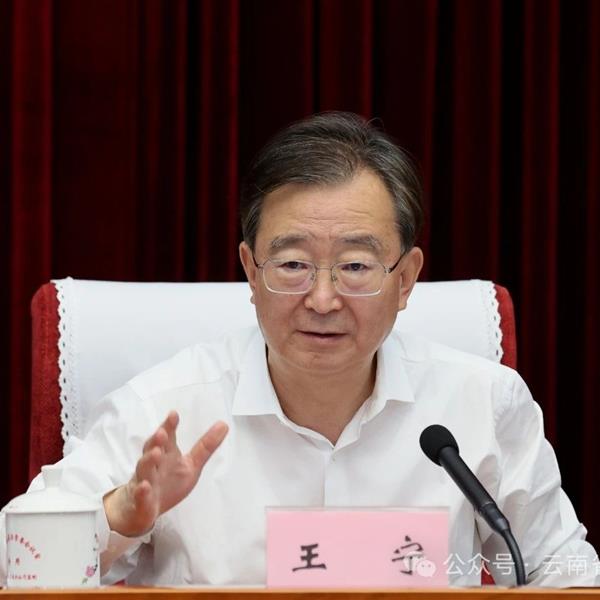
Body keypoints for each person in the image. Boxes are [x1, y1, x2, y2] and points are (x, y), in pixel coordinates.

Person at [1, 112, 597, 587]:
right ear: (250, 270)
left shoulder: (482, 402)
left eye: (356, 266)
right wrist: (121, 517)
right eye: (292, 265)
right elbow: (17, 557)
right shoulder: (166, 410)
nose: (322, 298)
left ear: (407, 279)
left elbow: (565, 573)